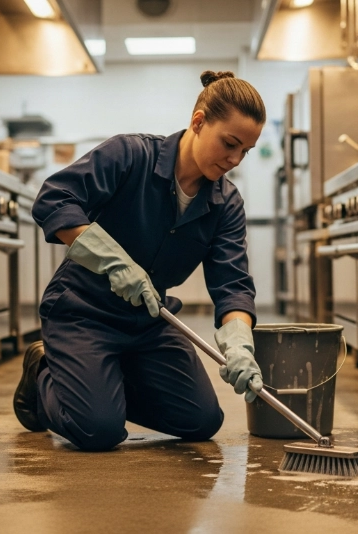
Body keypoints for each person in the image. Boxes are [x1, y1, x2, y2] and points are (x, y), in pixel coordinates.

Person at [14, 70, 266, 451]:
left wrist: (240, 344)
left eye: (244, 151)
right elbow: (54, 199)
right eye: (230, 144)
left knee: (202, 421)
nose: (235, 160)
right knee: (99, 430)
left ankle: (102, 383)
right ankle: (44, 372)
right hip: (84, 312)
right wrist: (113, 261)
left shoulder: (225, 204)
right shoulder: (130, 156)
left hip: (148, 322)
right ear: (198, 122)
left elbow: (232, 286)